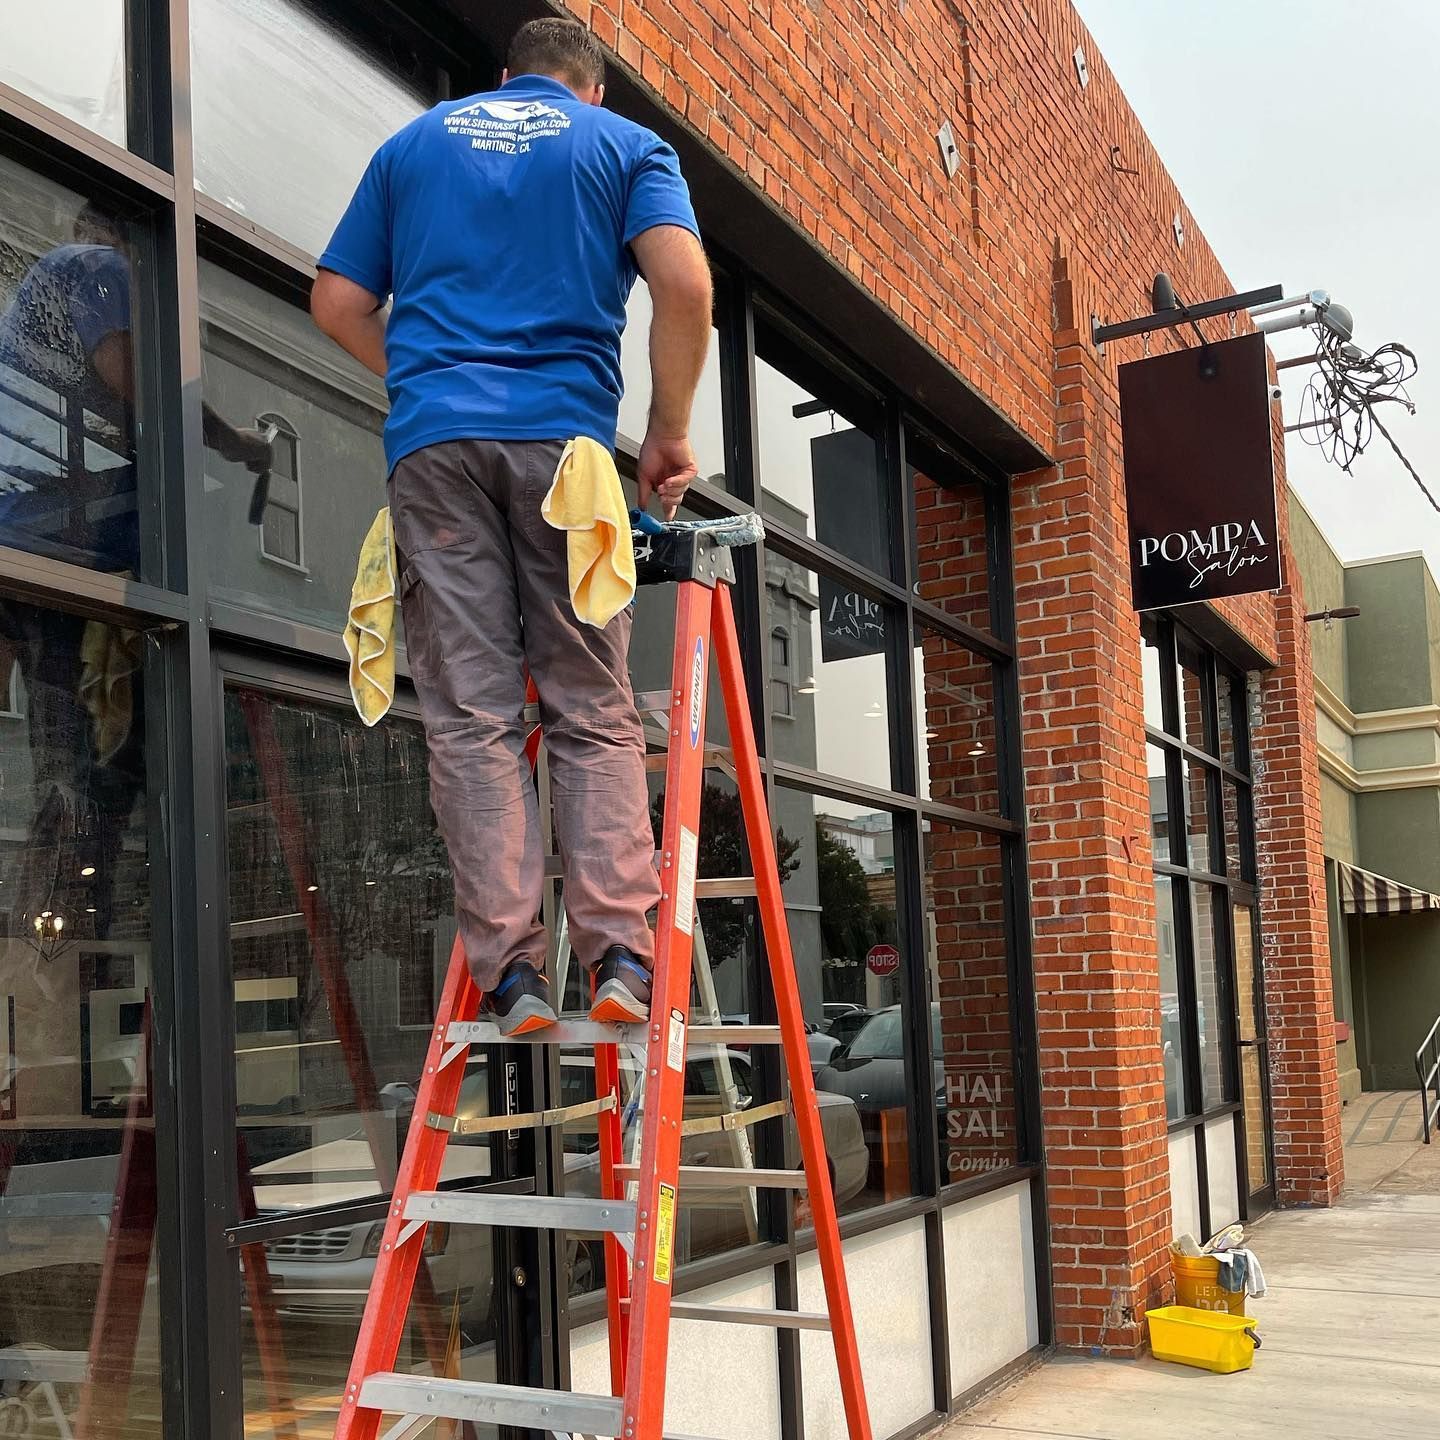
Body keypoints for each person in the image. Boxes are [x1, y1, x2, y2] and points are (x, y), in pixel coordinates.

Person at [311, 18, 713, 1034]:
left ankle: (512, 977)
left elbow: (336, 302)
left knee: (472, 716)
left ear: (503, 81)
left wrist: (430, 386)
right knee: (588, 701)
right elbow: (686, 286)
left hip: (435, 454)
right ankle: (619, 952)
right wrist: (665, 433)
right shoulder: (622, 147)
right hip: (566, 455)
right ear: (592, 93)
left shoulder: (413, 145)